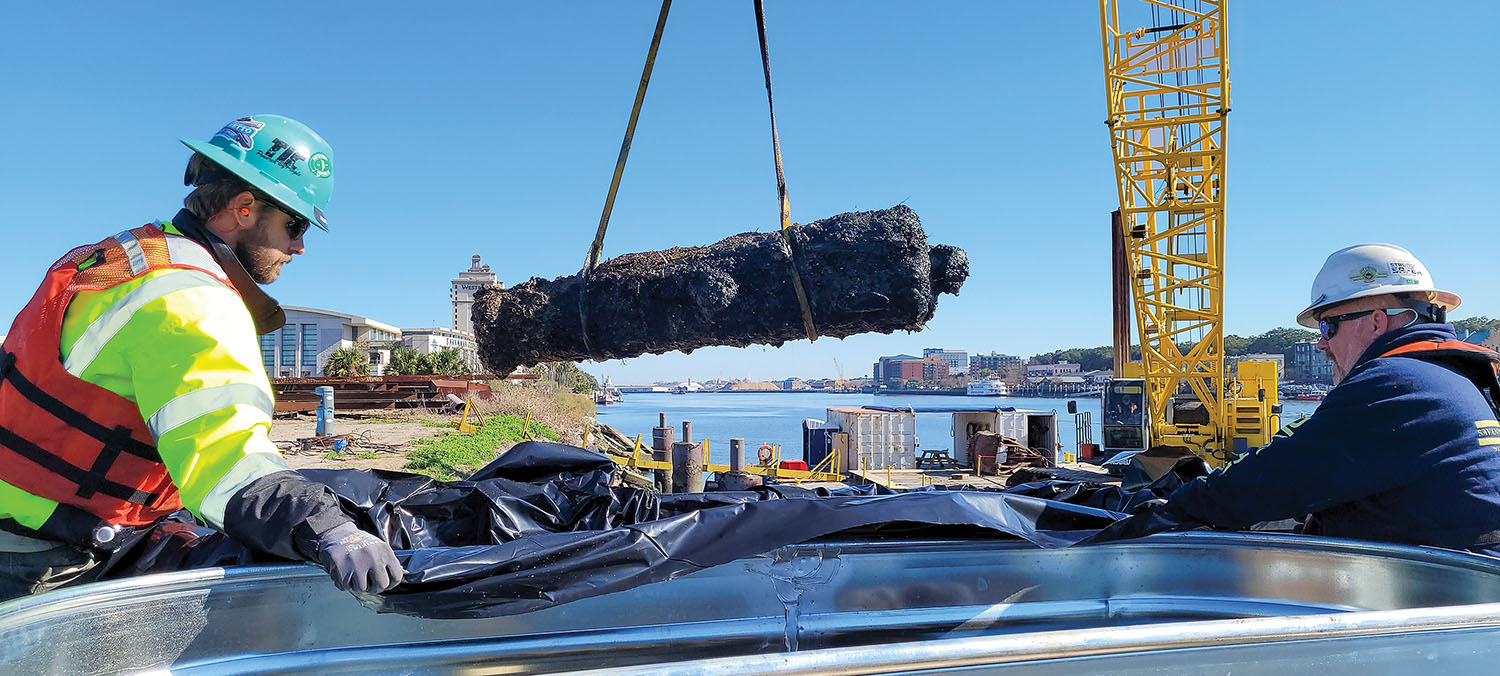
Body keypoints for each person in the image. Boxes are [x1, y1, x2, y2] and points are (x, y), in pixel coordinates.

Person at [0, 115, 404, 600]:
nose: (298, 246)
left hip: (27, 513)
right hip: (47, 551)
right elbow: (225, 459)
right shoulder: (191, 299)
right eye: (295, 224)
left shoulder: (122, 258)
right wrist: (324, 528)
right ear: (243, 209)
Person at [1134, 243, 1500, 554]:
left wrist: (1168, 512)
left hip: (1449, 600)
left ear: (1375, 321)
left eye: (1328, 325)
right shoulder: (1458, 374)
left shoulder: (1398, 383)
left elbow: (1272, 478)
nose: (1321, 343)